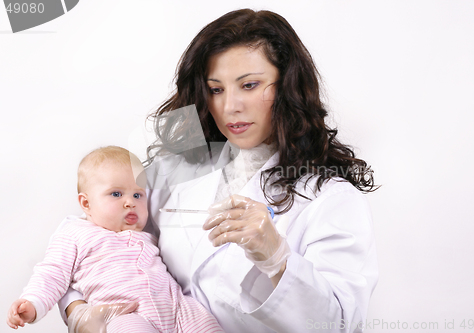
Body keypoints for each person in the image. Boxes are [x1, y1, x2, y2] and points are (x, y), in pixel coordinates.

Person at [62, 9, 378, 333]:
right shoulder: (178, 173)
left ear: (288, 86)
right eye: (216, 89)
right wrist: (77, 309)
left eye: (249, 85)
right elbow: (95, 244)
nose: (230, 107)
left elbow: (340, 324)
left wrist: (277, 258)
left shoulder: (331, 200)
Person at [6, 146, 224, 333]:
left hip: (177, 307)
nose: (130, 202)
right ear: (86, 203)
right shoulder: (75, 233)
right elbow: (52, 273)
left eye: (137, 195)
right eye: (116, 194)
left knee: (206, 324)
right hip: (124, 313)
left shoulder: (147, 234)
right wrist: (33, 304)